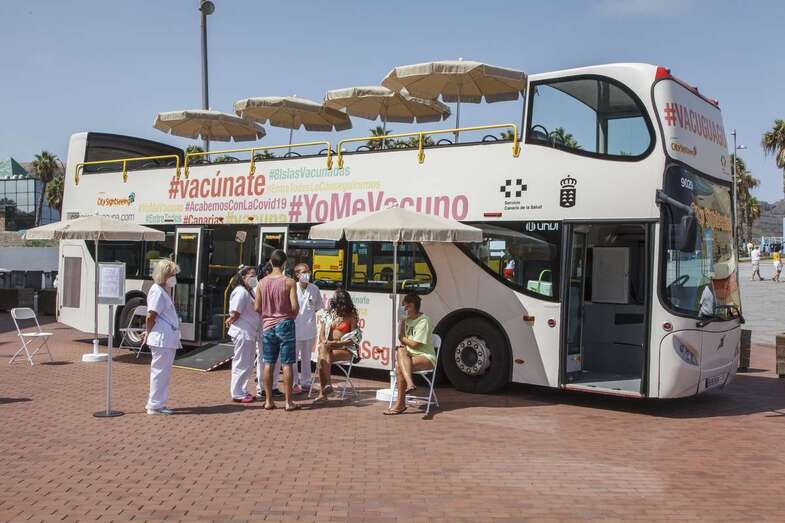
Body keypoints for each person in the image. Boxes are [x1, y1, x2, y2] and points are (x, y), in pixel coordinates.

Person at [255, 250, 300, 411]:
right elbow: (295, 307)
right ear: (285, 263)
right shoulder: (289, 282)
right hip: (285, 323)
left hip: (267, 325)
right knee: (287, 364)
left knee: (268, 363)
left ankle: (268, 401)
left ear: (270, 262)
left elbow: (257, 307)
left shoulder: (261, 283)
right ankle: (289, 402)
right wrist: (290, 316)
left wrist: (268, 315)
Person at [385, 293, 435, 416]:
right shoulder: (406, 319)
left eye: (405, 306)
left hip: (425, 356)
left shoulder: (424, 320)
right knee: (401, 350)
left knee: (399, 366)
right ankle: (410, 383)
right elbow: (400, 337)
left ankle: (400, 403)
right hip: (409, 355)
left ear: (412, 306)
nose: (403, 309)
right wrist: (401, 322)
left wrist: (402, 338)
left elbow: (414, 345)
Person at [142, 260, 182, 416]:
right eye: (172, 274)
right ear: (164, 275)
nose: (174, 277)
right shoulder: (157, 291)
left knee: (162, 373)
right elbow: (151, 315)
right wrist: (148, 331)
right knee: (160, 372)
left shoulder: (162, 290)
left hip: (166, 337)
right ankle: (154, 405)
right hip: (162, 338)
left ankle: (158, 403)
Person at [314, 289, 361, 402]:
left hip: (345, 348)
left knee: (321, 357)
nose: (332, 302)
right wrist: (325, 341)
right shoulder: (328, 314)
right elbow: (321, 335)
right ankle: (328, 385)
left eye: (335, 300)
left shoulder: (351, 316)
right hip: (329, 347)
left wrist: (338, 343)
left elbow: (354, 339)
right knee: (322, 350)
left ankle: (323, 393)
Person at [225, 266, 261, 403]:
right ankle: (237, 393)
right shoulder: (241, 291)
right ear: (243, 276)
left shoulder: (249, 291)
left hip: (249, 332)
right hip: (242, 332)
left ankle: (242, 389)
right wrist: (230, 319)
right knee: (241, 363)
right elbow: (236, 312)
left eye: (254, 275)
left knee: (247, 363)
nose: (254, 278)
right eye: (251, 275)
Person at [292, 263, 323, 393]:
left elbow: (318, 308)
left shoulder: (314, 288)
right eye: (304, 272)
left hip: (309, 329)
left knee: (307, 358)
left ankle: (305, 382)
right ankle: (294, 383)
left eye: (308, 271)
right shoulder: (292, 287)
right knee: (293, 359)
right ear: (297, 274)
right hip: (294, 329)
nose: (307, 274)